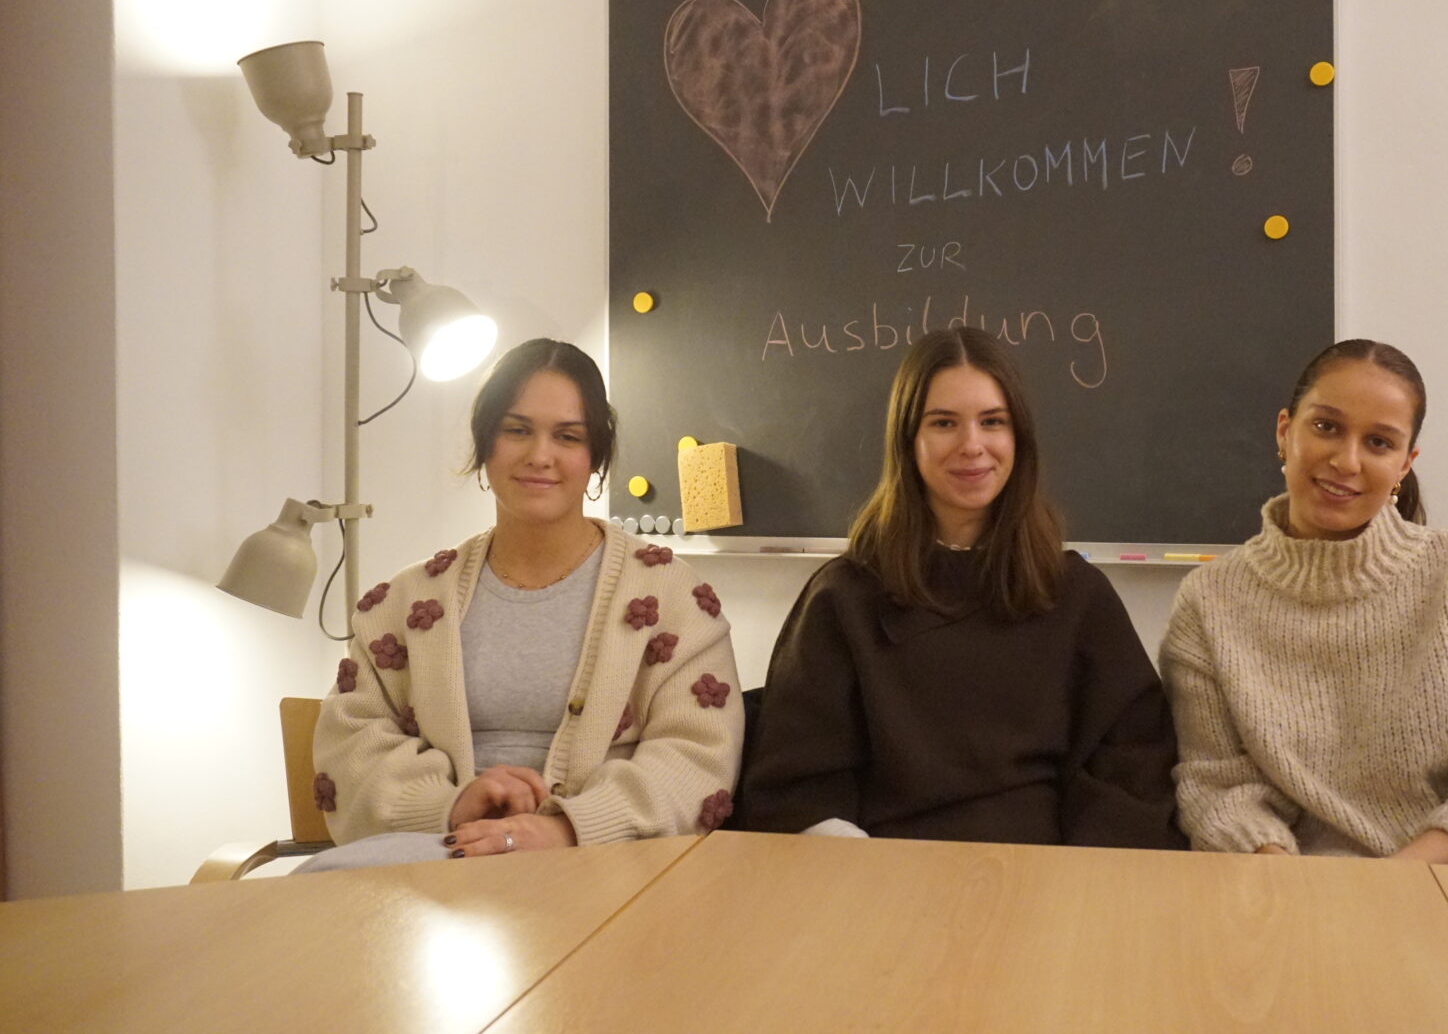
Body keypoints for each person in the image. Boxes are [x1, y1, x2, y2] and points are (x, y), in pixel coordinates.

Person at [1159, 339, 1448, 866]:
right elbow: (1218, 787)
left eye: (1378, 442)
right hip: (1299, 890)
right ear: (1284, 431)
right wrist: (1286, 883)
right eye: (1326, 427)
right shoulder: (1209, 601)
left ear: (1404, 464)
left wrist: (1388, 890)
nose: (1346, 461)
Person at [306, 338, 743, 870]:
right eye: (516, 430)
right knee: (315, 886)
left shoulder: (672, 599)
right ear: (484, 443)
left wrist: (567, 830)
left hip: (607, 866)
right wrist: (450, 805)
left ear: (595, 457)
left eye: (568, 436)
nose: (540, 455)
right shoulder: (406, 603)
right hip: (438, 857)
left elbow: (697, 757)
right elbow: (352, 744)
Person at [742, 328, 1183, 848]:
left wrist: (1077, 874)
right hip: (887, 870)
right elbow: (797, 785)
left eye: (992, 421)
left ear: (1018, 438)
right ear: (909, 441)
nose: (972, 446)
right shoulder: (843, 597)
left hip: (1049, 872)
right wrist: (869, 873)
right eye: (944, 423)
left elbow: (1133, 762)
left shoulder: (1077, 594)